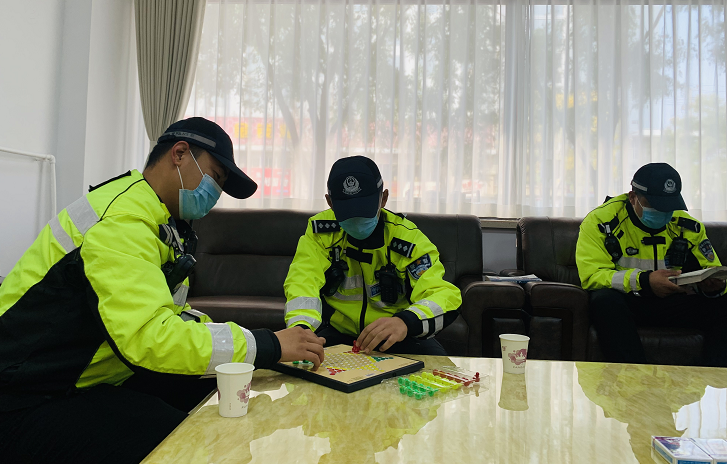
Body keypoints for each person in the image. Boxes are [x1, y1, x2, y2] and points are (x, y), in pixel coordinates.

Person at [0, 117, 325, 464]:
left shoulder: (165, 225)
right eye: (215, 177)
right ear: (180, 154)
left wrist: (251, 348)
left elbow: (174, 317)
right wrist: (268, 344)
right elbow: (150, 336)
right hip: (26, 396)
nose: (215, 195)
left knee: (217, 392)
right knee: (183, 444)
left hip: (89, 376)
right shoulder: (122, 220)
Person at [283, 156, 462, 356]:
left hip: (396, 335)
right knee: (298, 368)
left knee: (437, 368)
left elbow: (443, 295)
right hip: (337, 333)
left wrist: (406, 321)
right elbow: (302, 282)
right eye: (348, 213)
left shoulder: (407, 239)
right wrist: (302, 329)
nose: (356, 219)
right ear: (330, 202)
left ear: (383, 198)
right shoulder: (321, 232)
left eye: (363, 211)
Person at [575, 162, 727, 366]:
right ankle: (634, 376)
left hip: (672, 302)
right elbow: (592, 276)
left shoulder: (687, 226)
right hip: (627, 302)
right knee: (604, 301)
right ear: (633, 197)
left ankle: (715, 377)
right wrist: (644, 281)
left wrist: (713, 288)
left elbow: (712, 270)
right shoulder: (600, 222)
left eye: (669, 206)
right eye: (655, 205)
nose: (663, 212)